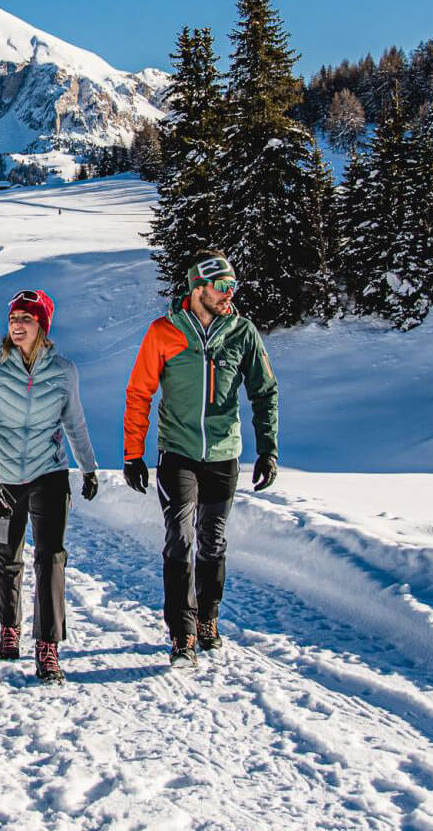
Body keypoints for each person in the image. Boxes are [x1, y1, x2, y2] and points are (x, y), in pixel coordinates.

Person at [121, 252, 279, 667]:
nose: (230, 295)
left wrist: (268, 449)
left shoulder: (242, 333)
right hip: (177, 453)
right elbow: (139, 392)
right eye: (223, 287)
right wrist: (133, 454)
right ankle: (182, 633)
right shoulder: (164, 333)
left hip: (225, 454)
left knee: (213, 541)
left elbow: (264, 392)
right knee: (180, 538)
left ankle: (208, 619)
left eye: (234, 287)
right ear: (199, 288)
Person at [0, 289, 100, 684]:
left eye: (26, 318)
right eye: (13, 319)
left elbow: (75, 422)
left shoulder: (63, 371)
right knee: (7, 554)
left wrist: (88, 468)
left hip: (49, 473)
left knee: (51, 556)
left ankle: (48, 646)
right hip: (4, 476)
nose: (17, 325)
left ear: (42, 325)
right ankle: (10, 626)